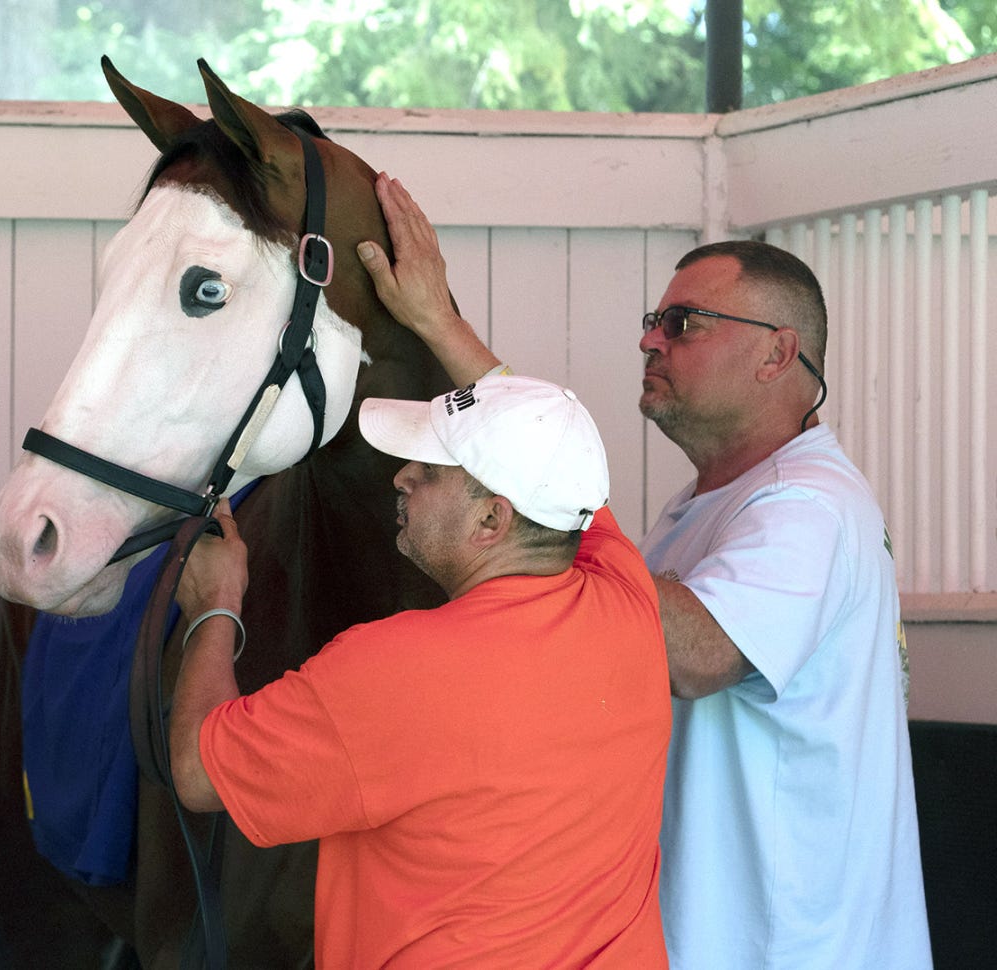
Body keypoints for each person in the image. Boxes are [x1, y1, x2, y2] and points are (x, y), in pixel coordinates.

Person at [169, 174, 672, 967]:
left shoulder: (389, 669)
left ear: (493, 519)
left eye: (429, 470)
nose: (400, 477)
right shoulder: (622, 597)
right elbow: (551, 451)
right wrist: (437, 317)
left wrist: (214, 605)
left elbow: (199, 772)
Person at [638, 240, 932, 968]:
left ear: (777, 353)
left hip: (786, 950)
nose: (650, 341)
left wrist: (549, 501)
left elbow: (701, 655)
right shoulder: (709, 502)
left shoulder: (807, 504)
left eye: (683, 323)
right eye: (653, 321)